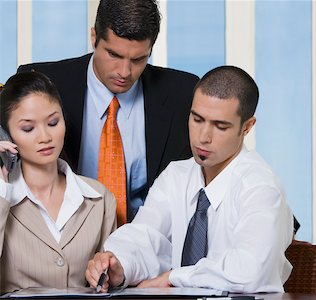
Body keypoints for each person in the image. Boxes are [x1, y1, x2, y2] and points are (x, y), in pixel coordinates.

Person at [85, 66, 293, 293]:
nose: (203, 137)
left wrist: (175, 278)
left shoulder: (260, 187)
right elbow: (145, 235)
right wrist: (118, 264)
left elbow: (250, 272)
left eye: (220, 126)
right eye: (197, 119)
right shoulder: (176, 175)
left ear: (247, 127)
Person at [18, 0, 199, 225]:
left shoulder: (182, 93)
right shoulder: (42, 83)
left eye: (138, 59)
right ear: (94, 37)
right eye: (113, 54)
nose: (124, 72)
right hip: (60, 241)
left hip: (145, 245)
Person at [0, 71, 116, 293]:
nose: (45, 136)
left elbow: (108, 283)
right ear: (6, 135)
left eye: (53, 122)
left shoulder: (99, 198)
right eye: (28, 128)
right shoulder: (3, 197)